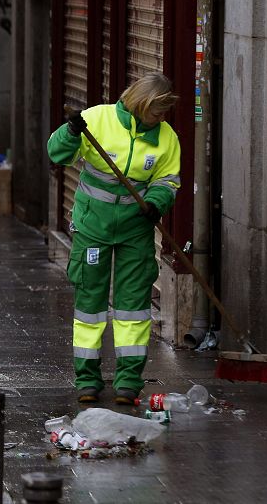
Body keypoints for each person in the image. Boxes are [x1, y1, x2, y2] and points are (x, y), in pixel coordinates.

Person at [47, 72, 181, 405]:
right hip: (93, 227)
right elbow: (57, 154)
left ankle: (128, 382)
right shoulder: (97, 120)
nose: (161, 119)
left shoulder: (166, 138)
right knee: (90, 306)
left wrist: (157, 202)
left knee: (133, 307)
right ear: (142, 103)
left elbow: (168, 180)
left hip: (136, 229)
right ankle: (87, 380)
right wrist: (70, 132)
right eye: (157, 111)